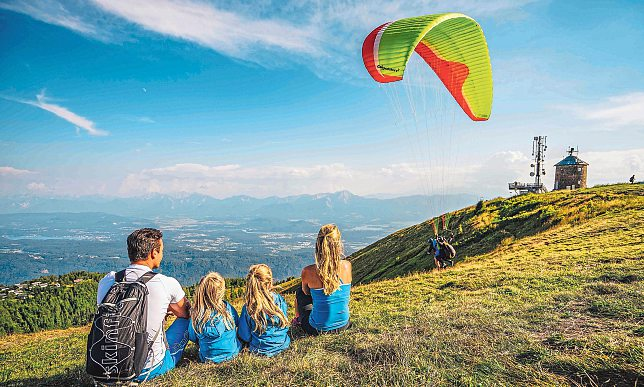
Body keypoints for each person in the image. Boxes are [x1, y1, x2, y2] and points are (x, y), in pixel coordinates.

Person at [96, 228, 190, 382]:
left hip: (107, 366)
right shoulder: (166, 283)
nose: (162, 255)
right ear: (154, 252)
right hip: (147, 369)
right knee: (186, 322)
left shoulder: (108, 281)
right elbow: (185, 313)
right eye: (161, 251)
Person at [294, 224, 352, 335]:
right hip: (344, 325)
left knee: (300, 292)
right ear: (339, 244)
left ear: (318, 245)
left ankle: (298, 320)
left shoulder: (308, 271)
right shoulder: (347, 266)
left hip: (317, 329)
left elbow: (306, 293)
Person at [188, 272, 242, 363]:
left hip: (207, 359)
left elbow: (192, 336)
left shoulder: (196, 314)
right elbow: (237, 323)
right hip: (232, 354)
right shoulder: (228, 309)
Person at [237, 264, 290, 356]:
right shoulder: (279, 300)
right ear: (269, 282)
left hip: (259, 350)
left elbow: (245, 336)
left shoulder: (249, 308)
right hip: (283, 344)